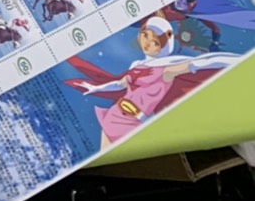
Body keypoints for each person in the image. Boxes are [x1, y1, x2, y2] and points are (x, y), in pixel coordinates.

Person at [65, 16, 241, 147]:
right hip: (115, 113)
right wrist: (96, 88)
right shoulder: (136, 66)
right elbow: (120, 84)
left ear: (163, 46)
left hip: (133, 121)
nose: (148, 43)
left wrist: (238, 61)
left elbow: (202, 63)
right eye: (145, 35)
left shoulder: (166, 70)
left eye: (155, 41)